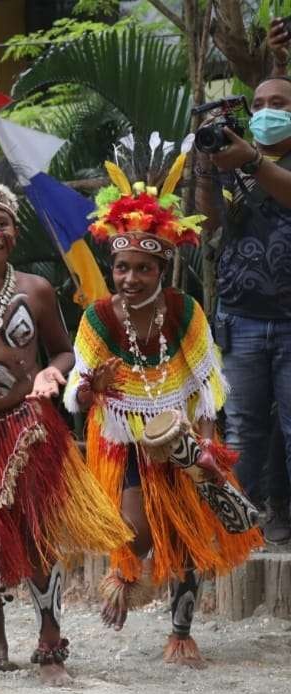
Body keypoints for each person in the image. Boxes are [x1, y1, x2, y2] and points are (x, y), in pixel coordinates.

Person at [0, 183, 129, 684]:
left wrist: (46, 374)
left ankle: (50, 630)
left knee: (38, 528)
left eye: (1, 223)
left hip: (27, 427)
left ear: (15, 232)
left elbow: (63, 349)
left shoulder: (35, 288)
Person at [65, 158, 264, 666]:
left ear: (162, 267)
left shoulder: (184, 310)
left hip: (182, 432)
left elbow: (205, 384)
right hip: (124, 439)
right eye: (122, 268)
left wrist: (202, 449)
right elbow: (77, 397)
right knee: (137, 534)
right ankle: (126, 574)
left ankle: (181, 632)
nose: (130, 278)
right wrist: (92, 388)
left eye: (143, 268)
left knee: (190, 533)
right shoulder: (97, 317)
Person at [194, 75, 291, 543]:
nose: (267, 109)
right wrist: (206, 167)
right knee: (242, 430)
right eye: (259, 103)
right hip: (241, 316)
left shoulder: (250, 158)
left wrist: (252, 160)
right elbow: (206, 222)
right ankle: (238, 530)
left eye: (279, 102)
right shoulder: (230, 156)